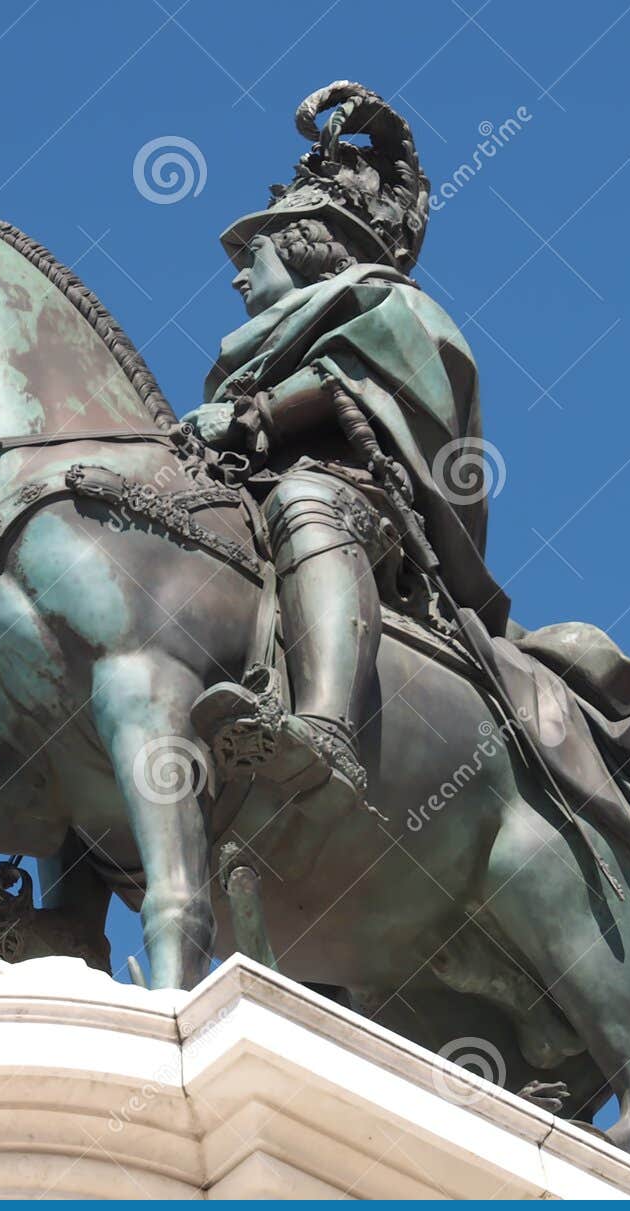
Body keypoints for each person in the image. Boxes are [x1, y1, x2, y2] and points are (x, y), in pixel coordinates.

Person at [183, 81, 508, 821]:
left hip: (354, 500)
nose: (237, 272)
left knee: (306, 502)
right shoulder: (250, 350)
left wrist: (249, 417)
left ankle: (326, 732)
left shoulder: (391, 307)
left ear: (305, 253)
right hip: (249, 497)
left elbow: (366, 387)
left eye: (253, 253)